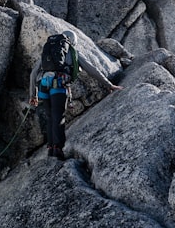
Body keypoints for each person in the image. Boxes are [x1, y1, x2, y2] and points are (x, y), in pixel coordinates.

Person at [29, 30, 121, 159]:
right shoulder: (73, 52)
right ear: (73, 41)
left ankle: (51, 148)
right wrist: (109, 84)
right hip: (59, 86)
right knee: (58, 117)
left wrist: (33, 96)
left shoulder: (48, 51)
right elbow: (91, 69)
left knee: (50, 118)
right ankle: (58, 149)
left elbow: (33, 73)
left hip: (44, 87)